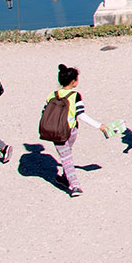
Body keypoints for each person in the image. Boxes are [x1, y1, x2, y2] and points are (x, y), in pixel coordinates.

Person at [45, 64, 111, 197]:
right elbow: (81, 115)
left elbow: (44, 112)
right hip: (71, 131)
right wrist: (100, 126)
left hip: (56, 131)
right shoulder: (75, 96)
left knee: (66, 157)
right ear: (74, 81)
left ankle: (67, 179)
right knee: (67, 157)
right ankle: (75, 185)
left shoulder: (51, 95)